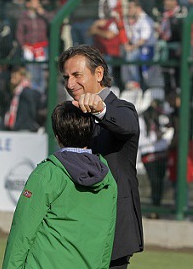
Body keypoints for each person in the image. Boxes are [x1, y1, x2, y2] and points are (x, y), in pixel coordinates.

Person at [3, 101, 117, 268]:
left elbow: (22, 231)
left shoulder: (48, 173)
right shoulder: (108, 178)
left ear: (57, 136)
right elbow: (108, 239)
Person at [58, 45, 143, 268]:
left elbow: (127, 125)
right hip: (78, 225)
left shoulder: (121, 109)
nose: (70, 84)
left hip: (114, 227)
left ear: (99, 74)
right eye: (66, 77)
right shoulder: (72, 112)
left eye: (77, 75)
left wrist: (101, 110)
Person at [4, 67, 42, 132]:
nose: (11, 80)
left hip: (24, 128)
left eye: (15, 76)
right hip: (18, 128)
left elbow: (32, 110)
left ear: (22, 77)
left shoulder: (26, 92)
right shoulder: (16, 92)